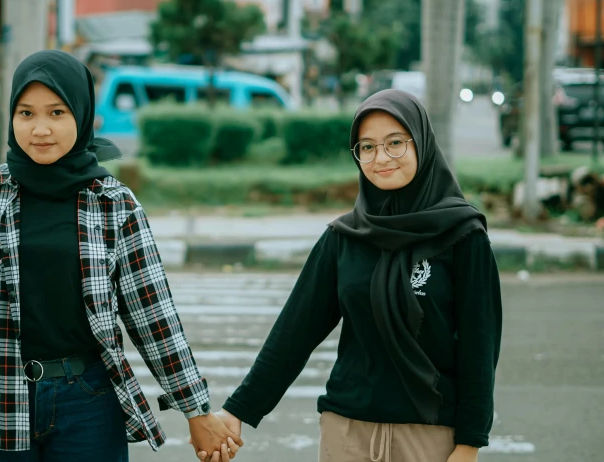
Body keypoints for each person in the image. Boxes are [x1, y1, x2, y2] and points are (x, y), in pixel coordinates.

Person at [0, 50, 242, 461]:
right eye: (26, 114)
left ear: (81, 115)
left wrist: (195, 410)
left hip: (89, 405)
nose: (40, 129)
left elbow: (153, 317)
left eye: (57, 113)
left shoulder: (114, 204)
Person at [198, 90, 503, 462]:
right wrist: (239, 410)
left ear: (421, 142)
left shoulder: (463, 236)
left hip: (431, 436)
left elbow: (479, 346)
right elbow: (295, 331)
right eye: (368, 147)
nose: (381, 158)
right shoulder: (343, 238)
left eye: (395, 143)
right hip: (346, 431)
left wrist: (470, 443)